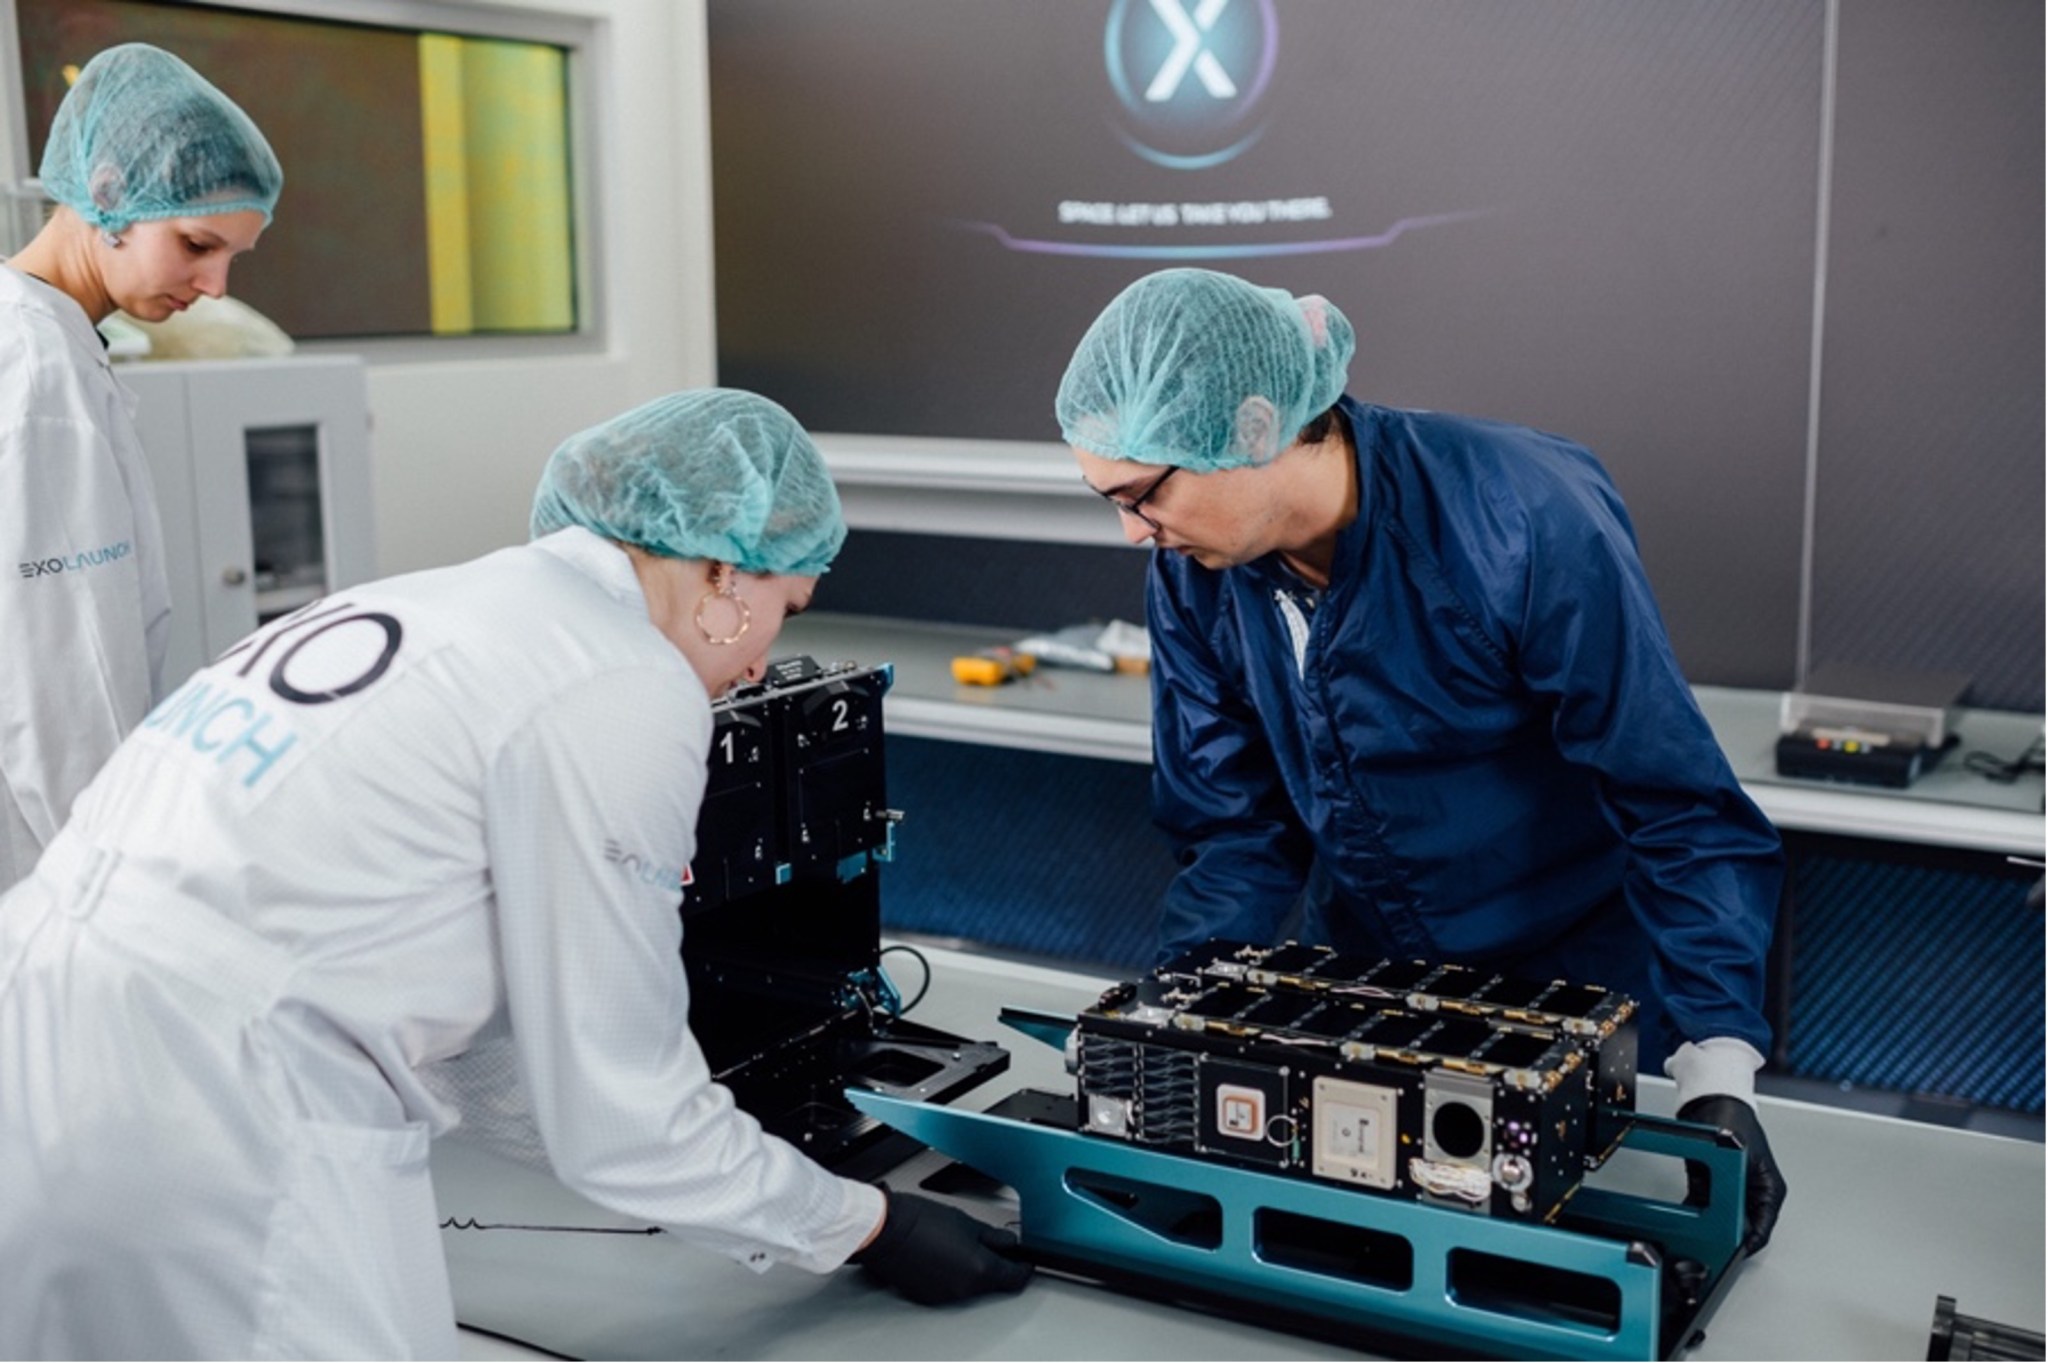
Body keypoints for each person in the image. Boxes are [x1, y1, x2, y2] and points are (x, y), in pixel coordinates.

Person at [0, 389, 1031, 1358]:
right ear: (726, 568)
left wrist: (735, 1178)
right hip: (230, 1107)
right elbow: (620, 1115)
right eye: (786, 611)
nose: (762, 664)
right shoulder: (619, 677)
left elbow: (490, 1053)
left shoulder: (445, 603)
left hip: (40, 1050)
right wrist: (865, 1223)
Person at [1055, 267, 1789, 1253]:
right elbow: (1234, 827)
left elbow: (1676, 805)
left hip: (1567, 979)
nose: (1130, 529)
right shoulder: (1193, 576)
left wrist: (1716, 1079)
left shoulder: (1517, 515)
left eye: (1140, 494)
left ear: (1253, 428)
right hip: (1367, 984)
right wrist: (1176, 1013)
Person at [0, 42, 282, 893]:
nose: (217, 284)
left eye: (234, 255)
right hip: (49, 860)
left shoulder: (56, 344)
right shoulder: (37, 370)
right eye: (198, 244)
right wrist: (112, 886)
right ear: (110, 195)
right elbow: (61, 677)